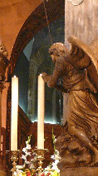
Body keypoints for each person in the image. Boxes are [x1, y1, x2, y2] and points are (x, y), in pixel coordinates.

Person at [42, 39, 98, 167]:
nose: (52, 58)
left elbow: (52, 83)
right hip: (86, 93)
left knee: (73, 127)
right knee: (89, 122)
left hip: (77, 95)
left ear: (55, 53)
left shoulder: (61, 61)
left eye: (52, 54)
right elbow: (66, 88)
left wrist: (46, 78)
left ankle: (94, 151)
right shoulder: (72, 60)